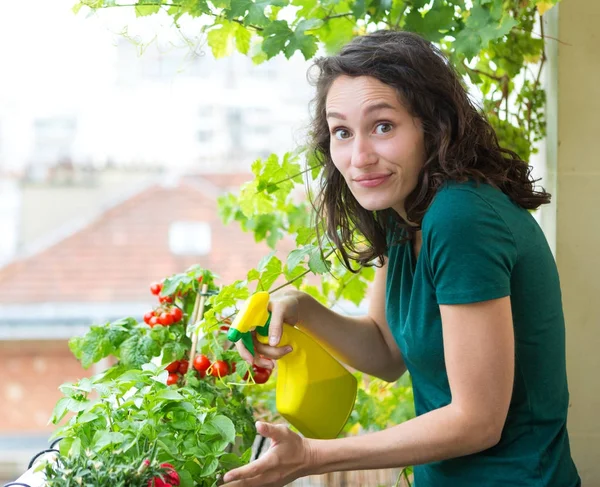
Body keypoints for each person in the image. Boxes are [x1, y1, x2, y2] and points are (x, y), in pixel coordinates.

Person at [222, 30, 581, 487]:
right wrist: (301, 308)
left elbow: (478, 421)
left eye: (383, 126)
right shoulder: (405, 211)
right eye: (342, 132)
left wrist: (312, 456)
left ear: (432, 128)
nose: (359, 157)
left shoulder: (460, 216)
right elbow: (386, 352)